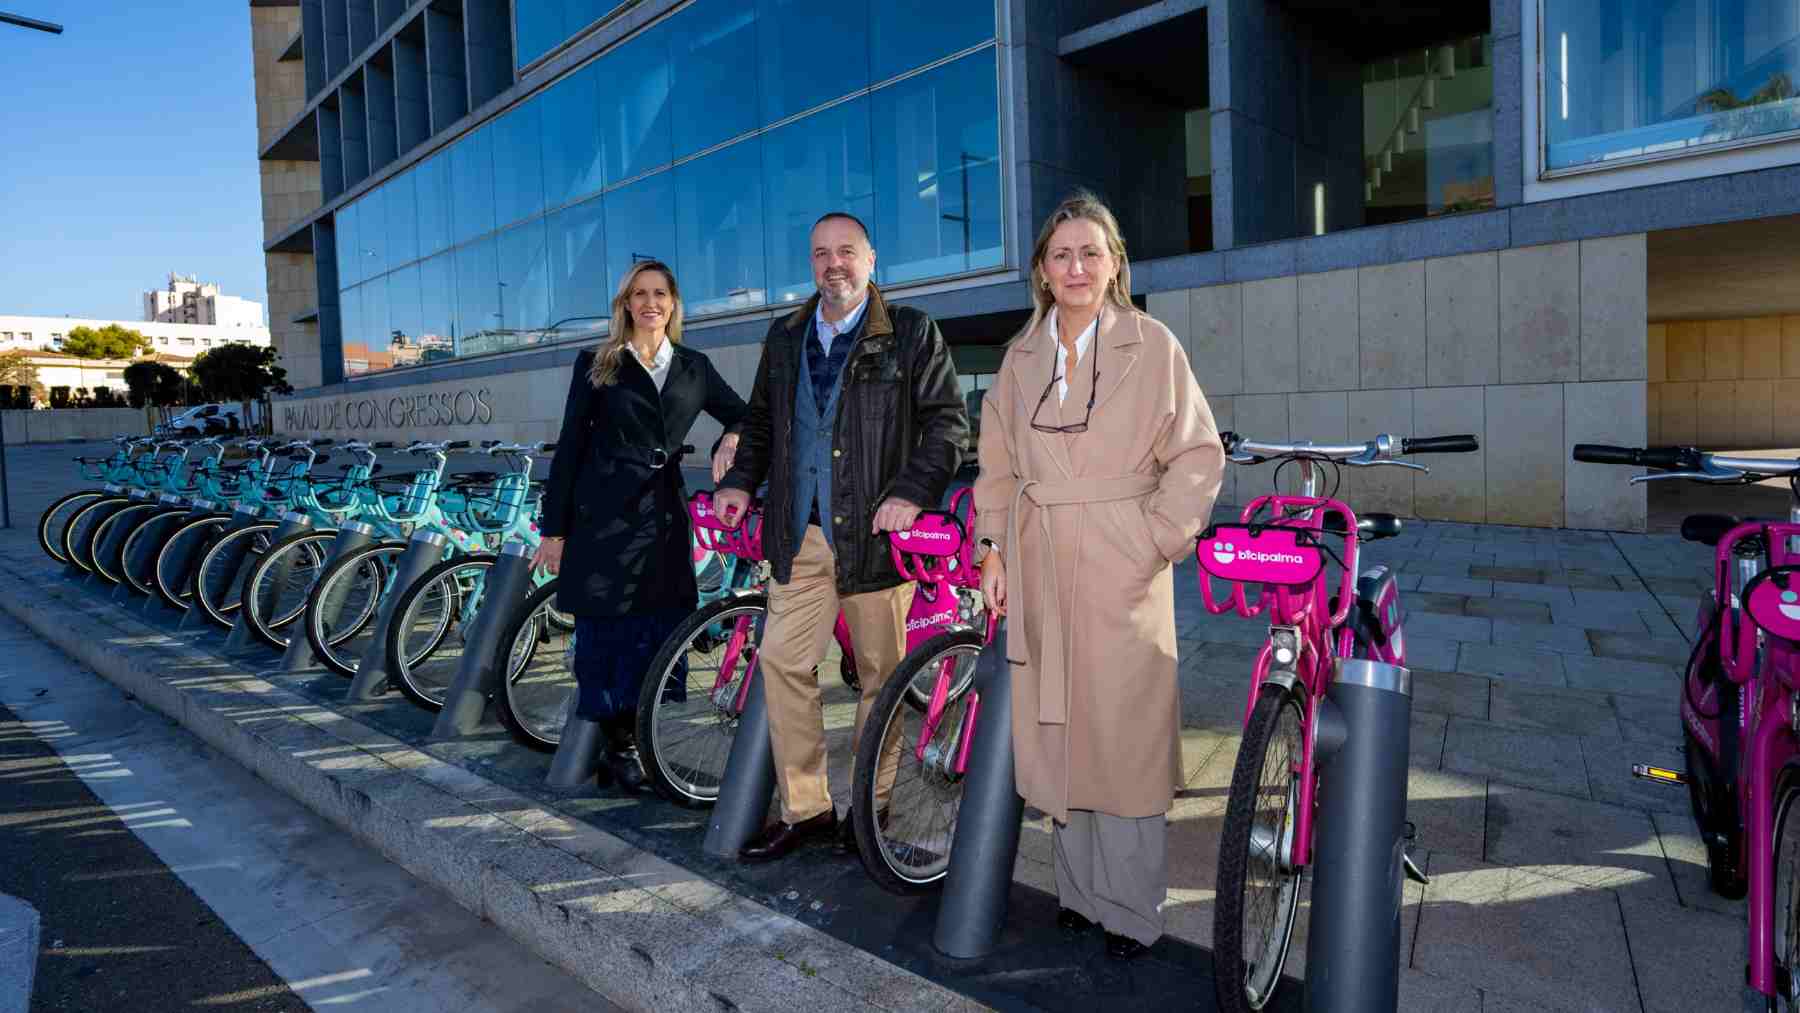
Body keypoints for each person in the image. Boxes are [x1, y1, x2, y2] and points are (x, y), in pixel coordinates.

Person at [972, 192, 1225, 960]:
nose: (1076, 267)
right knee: (1057, 737)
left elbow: (1197, 454)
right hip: (1041, 558)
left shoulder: (1153, 346)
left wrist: (1152, 538)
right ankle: (1079, 896)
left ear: (1114, 263)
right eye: (1060, 255)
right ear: (1042, 272)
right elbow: (997, 466)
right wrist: (994, 549)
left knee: (1125, 741)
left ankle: (1134, 911)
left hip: (1123, 564)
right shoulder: (1018, 359)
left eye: (1091, 252)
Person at [713, 212, 968, 863]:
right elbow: (762, 422)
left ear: (872, 259)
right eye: (822, 253)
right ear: (811, 264)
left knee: (881, 679)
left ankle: (869, 808)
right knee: (780, 661)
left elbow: (946, 423)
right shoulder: (786, 334)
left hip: (878, 545)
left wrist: (913, 490)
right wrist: (742, 478)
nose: (835, 264)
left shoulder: (910, 333)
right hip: (798, 534)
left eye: (847, 251)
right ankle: (808, 808)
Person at [535, 260, 748, 793]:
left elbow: (745, 414)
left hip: (662, 516)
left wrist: (731, 439)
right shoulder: (598, 363)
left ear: (673, 303)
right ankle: (619, 749)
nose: (650, 302)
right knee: (605, 634)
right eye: (639, 294)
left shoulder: (694, 366)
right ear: (626, 304)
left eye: (660, 293)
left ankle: (640, 734)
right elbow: (570, 449)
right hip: (602, 516)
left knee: (656, 628)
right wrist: (553, 531)